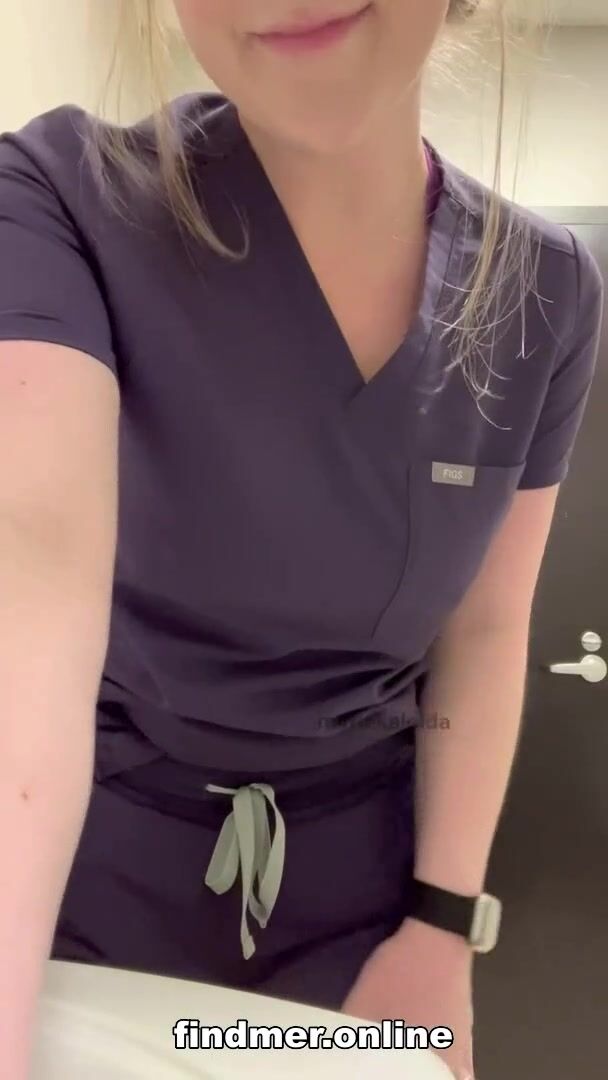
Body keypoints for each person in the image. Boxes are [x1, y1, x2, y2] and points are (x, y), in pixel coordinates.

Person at [0, 1, 603, 1077]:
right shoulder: (53, 203)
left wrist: (441, 927)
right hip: (82, 880)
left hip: (364, 912)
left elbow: (483, 628)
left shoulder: (547, 290)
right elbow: (27, 599)